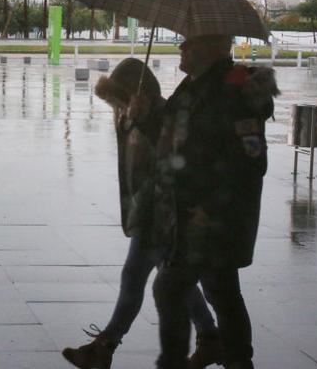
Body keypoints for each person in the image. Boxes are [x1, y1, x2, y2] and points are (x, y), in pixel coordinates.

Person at [62, 58, 222, 369]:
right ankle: (211, 337)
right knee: (176, 280)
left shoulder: (161, 115)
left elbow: (168, 153)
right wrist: (132, 116)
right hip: (151, 210)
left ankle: (103, 348)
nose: (117, 108)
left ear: (141, 93)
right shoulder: (131, 116)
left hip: (160, 213)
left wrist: (143, 118)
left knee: (134, 277)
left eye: (120, 100)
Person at [151, 35, 279, 369]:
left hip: (212, 216)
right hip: (188, 211)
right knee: (221, 291)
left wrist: (211, 207)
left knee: (170, 288)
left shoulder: (234, 92)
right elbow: (177, 134)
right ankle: (233, 358)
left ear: (210, 49)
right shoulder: (194, 87)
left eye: (188, 44)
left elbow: (251, 160)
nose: (181, 49)